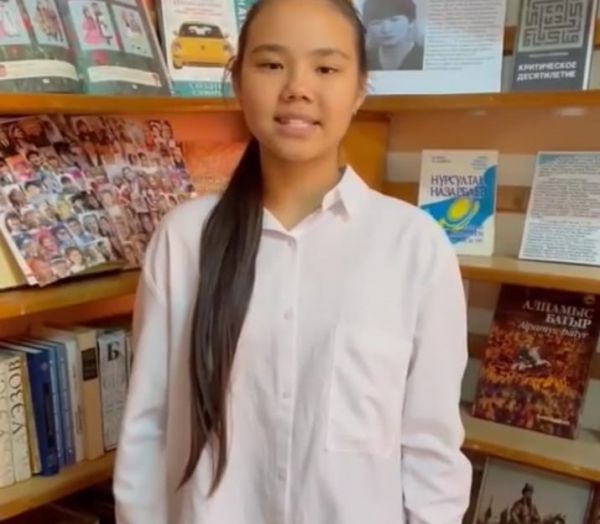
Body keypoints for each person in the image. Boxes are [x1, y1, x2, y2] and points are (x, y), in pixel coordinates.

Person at [113, 0, 470, 523]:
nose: (298, 88)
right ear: (238, 82)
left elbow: (432, 449)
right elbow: (148, 429)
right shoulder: (184, 240)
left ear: (360, 89)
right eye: (272, 64)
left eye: (326, 68)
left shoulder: (414, 246)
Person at [362, 0, 424, 71]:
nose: (386, 29)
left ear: (411, 23)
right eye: (377, 23)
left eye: (394, 20)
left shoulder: (423, 56)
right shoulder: (365, 58)